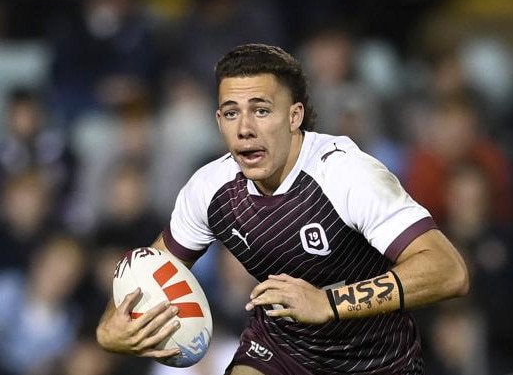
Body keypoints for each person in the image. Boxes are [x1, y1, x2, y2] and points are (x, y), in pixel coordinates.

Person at [96, 43, 469, 374]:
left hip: (377, 360)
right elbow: (151, 269)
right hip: (282, 349)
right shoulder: (209, 189)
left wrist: (327, 303)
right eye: (230, 113)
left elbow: (448, 271)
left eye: (261, 110)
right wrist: (110, 328)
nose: (244, 128)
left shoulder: (346, 174)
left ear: (294, 117)